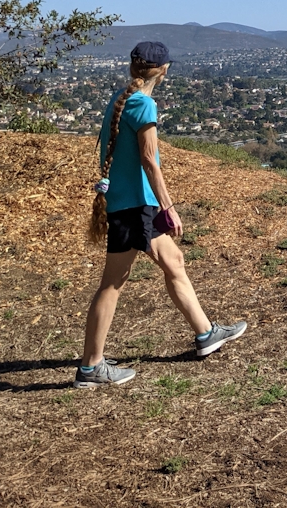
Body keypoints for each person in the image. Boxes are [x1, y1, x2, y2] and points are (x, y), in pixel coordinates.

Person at [76, 41, 246, 388]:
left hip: (131, 203)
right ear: (164, 69)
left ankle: (206, 334)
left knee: (174, 262)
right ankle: (91, 367)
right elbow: (150, 161)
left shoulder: (123, 99)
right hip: (135, 206)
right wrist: (169, 206)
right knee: (112, 284)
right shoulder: (143, 105)